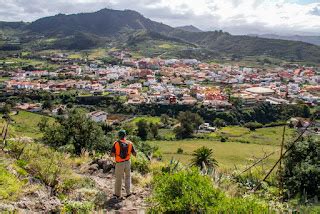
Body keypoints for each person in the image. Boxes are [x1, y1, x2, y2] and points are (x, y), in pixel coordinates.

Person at [111, 130, 137, 199]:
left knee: (118, 179)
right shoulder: (130, 143)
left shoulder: (116, 143)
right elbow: (134, 154)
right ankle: (128, 193)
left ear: (119, 136)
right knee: (128, 177)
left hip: (119, 163)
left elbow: (112, 155)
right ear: (125, 135)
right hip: (128, 162)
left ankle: (117, 194)